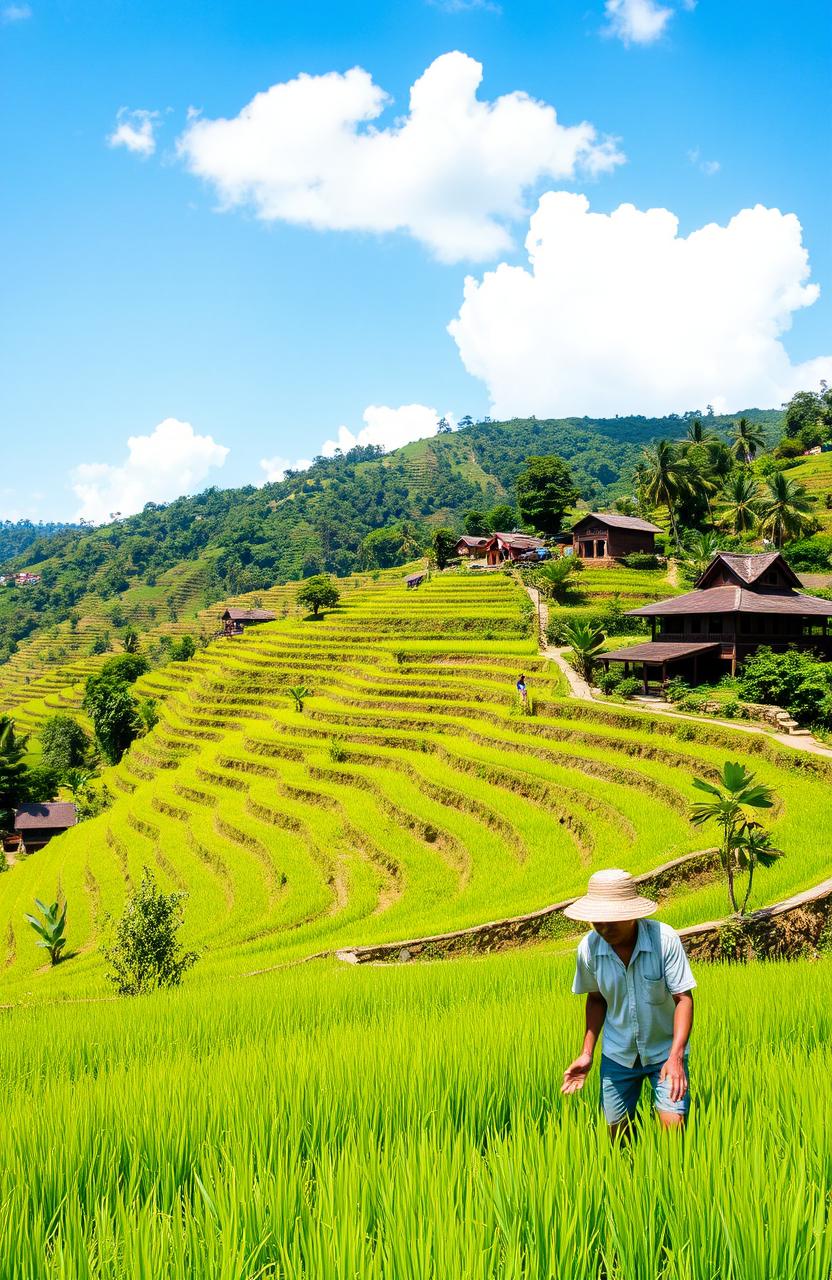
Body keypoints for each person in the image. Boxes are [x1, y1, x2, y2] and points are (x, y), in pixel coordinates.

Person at [560, 868, 695, 1137]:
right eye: (597, 921)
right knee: (616, 1134)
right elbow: (596, 999)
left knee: (674, 1129)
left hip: (664, 1054)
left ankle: (671, 1178)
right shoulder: (589, 949)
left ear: (632, 915)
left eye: (611, 920)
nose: (603, 928)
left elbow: (683, 999)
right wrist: (587, 1053)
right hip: (617, 1054)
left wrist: (677, 1056)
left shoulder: (663, 940)